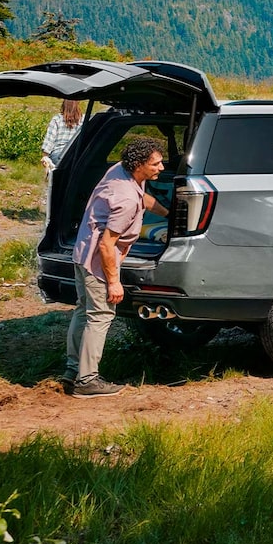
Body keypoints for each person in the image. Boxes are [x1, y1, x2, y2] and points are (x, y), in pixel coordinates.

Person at [63, 137, 169, 398]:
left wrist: (170, 213)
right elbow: (106, 245)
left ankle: (73, 370)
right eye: (156, 163)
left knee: (83, 311)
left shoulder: (120, 171)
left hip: (81, 253)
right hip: (98, 259)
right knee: (100, 316)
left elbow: (143, 197)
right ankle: (87, 381)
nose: (162, 167)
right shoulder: (126, 201)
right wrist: (113, 282)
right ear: (139, 165)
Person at [41, 100, 82, 172]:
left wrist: (45, 156)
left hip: (58, 155)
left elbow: (49, 140)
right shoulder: (83, 120)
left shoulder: (57, 119)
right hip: (76, 154)